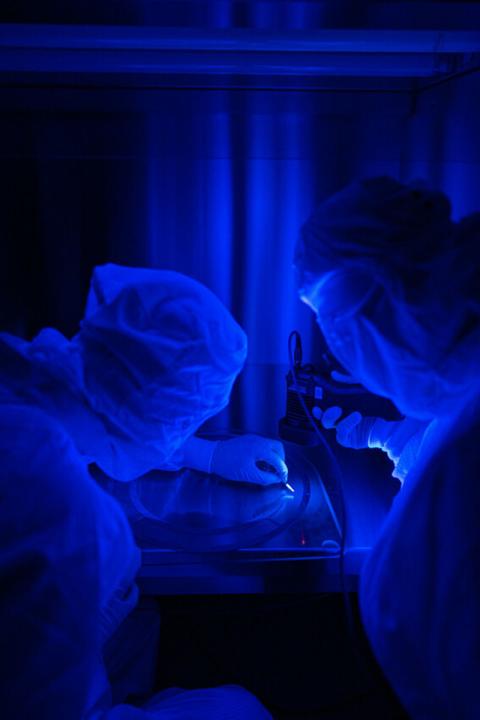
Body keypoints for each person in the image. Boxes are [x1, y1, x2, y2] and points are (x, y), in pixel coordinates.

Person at [0, 264, 279, 719]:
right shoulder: (64, 510)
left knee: (142, 621)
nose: (181, 431)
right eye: (187, 418)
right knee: (242, 710)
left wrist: (207, 455)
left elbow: (109, 417)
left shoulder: (27, 375)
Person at [294, 176, 480, 718]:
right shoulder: (463, 392)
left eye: (341, 331)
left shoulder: (467, 474)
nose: (341, 352)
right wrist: (387, 436)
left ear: (391, 303)